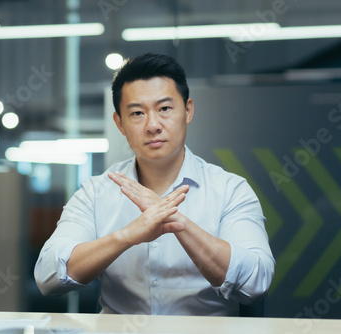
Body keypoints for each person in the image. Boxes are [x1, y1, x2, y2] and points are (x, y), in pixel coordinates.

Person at [34, 53, 275, 316]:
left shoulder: (230, 190)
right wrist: (126, 236)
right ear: (120, 123)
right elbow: (47, 277)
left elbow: (256, 282)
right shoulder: (96, 192)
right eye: (137, 113)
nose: (152, 125)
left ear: (188, 111)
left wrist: (177, 222)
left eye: (164, 109)